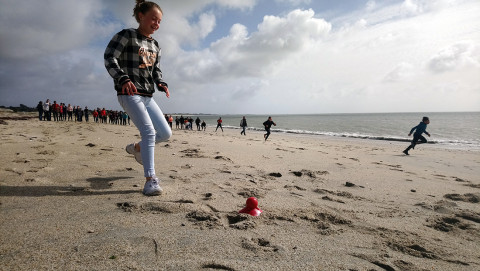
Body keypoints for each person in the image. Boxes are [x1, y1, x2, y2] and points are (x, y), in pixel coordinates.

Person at [104, 0, 172, 196]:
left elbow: (155, 70)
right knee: (149, 132)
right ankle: (150, 180)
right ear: (141, 16)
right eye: (153, 19)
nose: (156, 24)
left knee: (165, 134)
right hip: (129, 93)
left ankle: (136, 149)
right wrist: (122, 77)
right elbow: (110, 57)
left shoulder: (155, 45)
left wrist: (161, 83)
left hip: (147, 95)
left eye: (159, 21)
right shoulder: (127, 35)